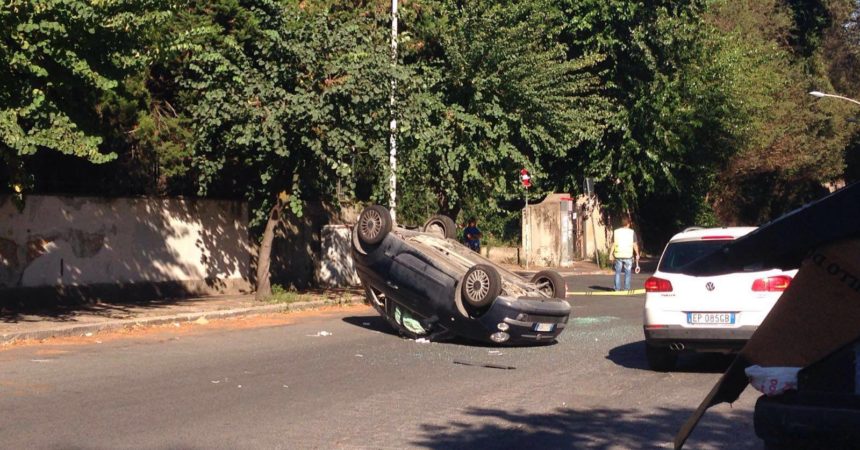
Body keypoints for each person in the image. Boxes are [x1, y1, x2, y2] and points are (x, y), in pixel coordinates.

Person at [611, 217, 640, 291]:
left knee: (617, 272)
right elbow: (634, 244)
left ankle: (617, 288)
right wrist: (637, 254)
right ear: (628, 224)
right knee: (627, 273)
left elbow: (614, 244)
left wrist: (610, 254)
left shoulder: (616, 232)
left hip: (618, 255)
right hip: (628, 255)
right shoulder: (632, 232)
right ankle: (626, 289)